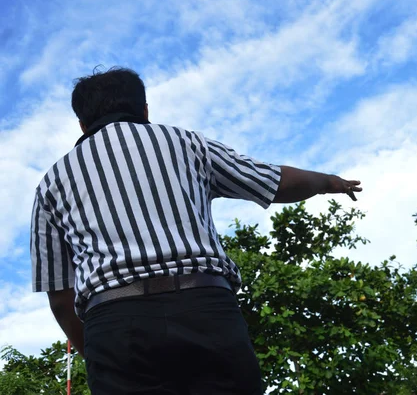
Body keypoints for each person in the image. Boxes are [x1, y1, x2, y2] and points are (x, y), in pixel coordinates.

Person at [30, 67, 362, 395]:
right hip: (204, 307)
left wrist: (100, 353)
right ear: (144, 110)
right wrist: (328, 182)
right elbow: (274, 182)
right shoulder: (186, 144)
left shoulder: (51, 183)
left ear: (82, 124)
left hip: (116, 325)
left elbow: (60, 296)